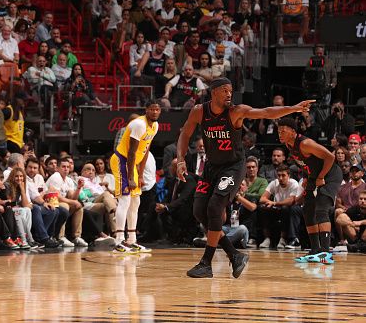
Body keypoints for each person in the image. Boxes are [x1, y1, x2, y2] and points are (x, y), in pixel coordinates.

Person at [176, 77, 315, 278]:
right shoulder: (199, 111)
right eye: (225, 90)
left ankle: (206, 263)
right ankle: (235, 255)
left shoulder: (236, 111)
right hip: (211, 168)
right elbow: (185, 134)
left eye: (231, 90)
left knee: (215, 207)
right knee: (199, 211)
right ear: (214, 92)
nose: (229, 94)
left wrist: (293, 108)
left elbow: (266, 112)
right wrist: (181, 159)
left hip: (232, 167)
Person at [277, 116, 342, 265]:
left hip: (330, 174)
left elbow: (330, 157)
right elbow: (305, 163)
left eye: (283, 131)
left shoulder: (305, 143)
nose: (280, 134)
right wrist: (307, 176)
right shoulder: (288, 145)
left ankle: (326, 253)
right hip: (314, 175)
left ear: (293, 132)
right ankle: (315, 250)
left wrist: (320, 177)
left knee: (321, 208)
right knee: (307, 209)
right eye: (278, 131)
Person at [110, 100, 161, 253]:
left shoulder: (155, 126)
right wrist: (131, 177)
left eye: (157, 110)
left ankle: (131, 240)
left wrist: (139, 174)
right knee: (125, 200)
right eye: (152, 109)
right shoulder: (139, 124)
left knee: (136, 201)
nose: (155, 112)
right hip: (122, 160)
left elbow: (145, 150)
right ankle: (118, 241)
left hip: (132, 165)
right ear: (146, 110)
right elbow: (131, 152)